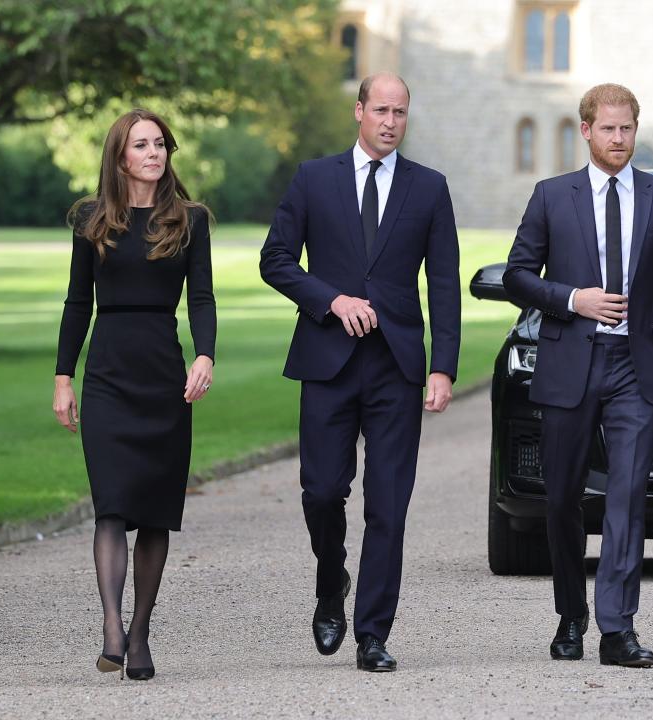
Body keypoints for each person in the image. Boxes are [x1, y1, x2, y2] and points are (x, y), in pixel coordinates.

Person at [259, 72, 460, 672]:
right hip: (328, 361)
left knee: (388, 505)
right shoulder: (314, 178)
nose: (390, 122)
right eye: (380, 110)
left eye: (400, 112)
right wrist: (330, 300)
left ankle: (373, 633)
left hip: (396, 366)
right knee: (322, 492)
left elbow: (444, 285)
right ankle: (331, 580)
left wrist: (443, 367)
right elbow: (274, 260)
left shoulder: (428, 188)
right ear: (359, 111)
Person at [503, 83, 653, 668]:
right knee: (562, 497)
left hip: (634, 369)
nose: (618, 139)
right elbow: (517, 275)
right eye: (608, 129)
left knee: (628, 496)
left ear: (636, 130)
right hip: (569, 363)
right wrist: (572, 299)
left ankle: (617, 628)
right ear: (585, 130)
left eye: (627, 129)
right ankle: (571, 614)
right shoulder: (551, 196)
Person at [53, 109, 216, 680]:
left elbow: (202, 298)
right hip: (107, 375)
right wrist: (63, 377)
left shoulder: (190, 220)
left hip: (162, 377)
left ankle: (141, 633)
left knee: (153, 512)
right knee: (112, 504)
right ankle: (113, 627)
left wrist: (204, 354)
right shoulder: (92, 220)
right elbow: (77, 303)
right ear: (120, 156)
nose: (154, 153)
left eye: (160, 144)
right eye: (141, 145)